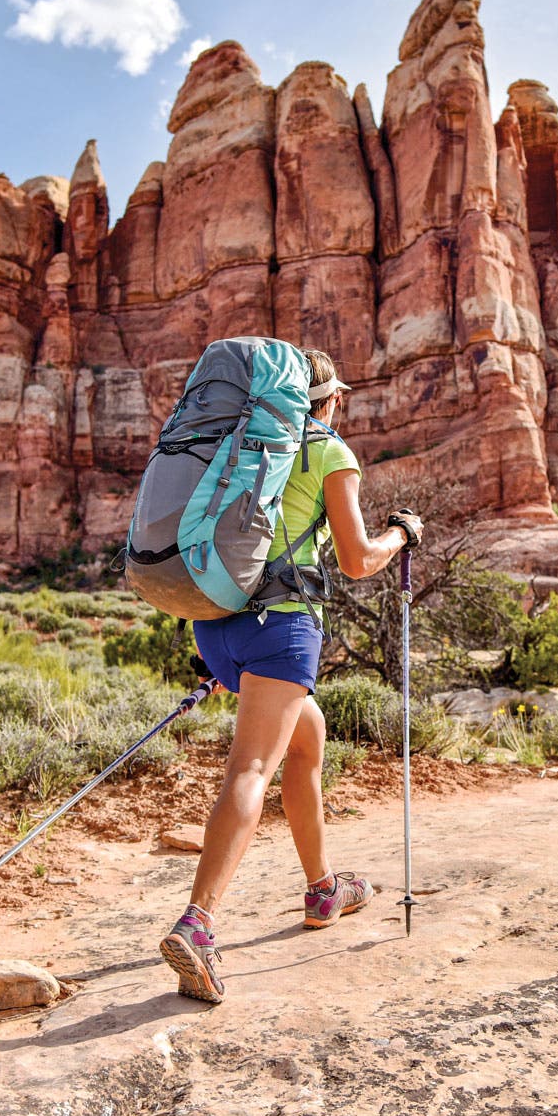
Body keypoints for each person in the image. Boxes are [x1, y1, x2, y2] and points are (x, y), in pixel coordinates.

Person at [158, 348, 422, 1003]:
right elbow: (358, 560)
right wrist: (400, 535)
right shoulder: (330, 450)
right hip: (280, 629)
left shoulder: (243, 440)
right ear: (330, 401)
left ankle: (322, 889)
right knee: (251, 768)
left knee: (307, 737)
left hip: (216, 624)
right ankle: (199, 923)